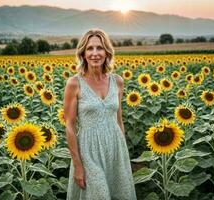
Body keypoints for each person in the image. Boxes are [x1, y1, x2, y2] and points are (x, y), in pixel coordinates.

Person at [64, 28, 137, 200]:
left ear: (107, 52)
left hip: (115, 148)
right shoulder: (75, 83)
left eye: (100, 48)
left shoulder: (118, 81)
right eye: (90, 48)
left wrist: (123, 153)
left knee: (119, 193)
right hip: (89, 151)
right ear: (83, 53)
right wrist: (77, 164)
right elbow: (69, 125)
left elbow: (118, 119)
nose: (95, 53)